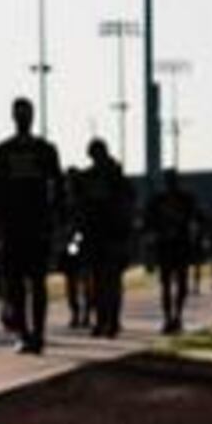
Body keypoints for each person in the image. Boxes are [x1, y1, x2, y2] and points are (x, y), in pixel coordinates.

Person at [0, 99, 65, 355]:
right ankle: (23, 332)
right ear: (13, 117)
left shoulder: (45, 150)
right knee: (15, 282)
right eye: (19, 114)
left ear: (33, 116)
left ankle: (38, 333)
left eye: (26, 113)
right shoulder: (1, 152)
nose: (23, 118)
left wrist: (58, 219)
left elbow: (58, 186)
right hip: (11, 225)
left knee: (38, 281)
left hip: (37, 223)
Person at [71, 138, 133, 338]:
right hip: (96, 234)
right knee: (100, 280)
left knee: (109, 280)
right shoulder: (95, 176)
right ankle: (103, 320)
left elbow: (126, 202)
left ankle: (110, 321)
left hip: (110, 233)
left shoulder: (114, 176)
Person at [143, 167, 203, 334]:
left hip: (181, 246)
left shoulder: (186, 199)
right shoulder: (158, 200)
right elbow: (149, 222)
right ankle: (169, 317)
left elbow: (196, 219)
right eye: (169, 180)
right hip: (165, 246)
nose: (171, 183)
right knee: (166, 285)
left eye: (172, 180)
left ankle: (177, 315)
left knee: (181, 285)